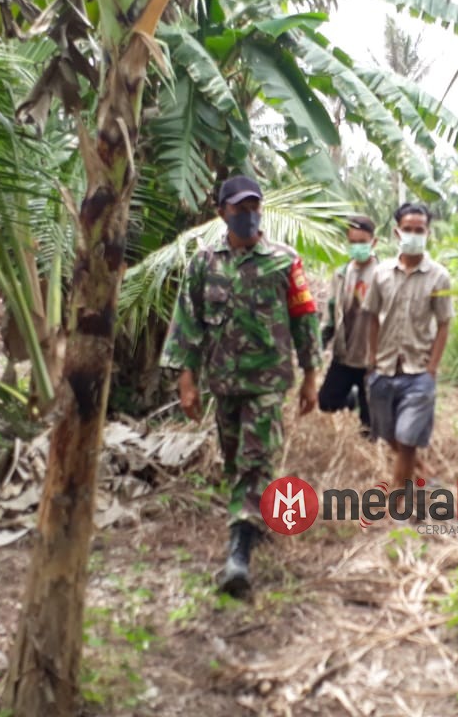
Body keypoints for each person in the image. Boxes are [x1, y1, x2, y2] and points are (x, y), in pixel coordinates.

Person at [159, 174, 322, 597]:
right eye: (239, 209)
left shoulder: (284, 261)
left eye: (254, 208)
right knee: (235, 461)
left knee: (253, 461)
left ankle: (238, 558)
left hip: (268, 382)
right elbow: (187, 323)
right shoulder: (204, 263)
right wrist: (186, 378)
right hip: (224, 382)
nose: (248, 216)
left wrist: (311, 376)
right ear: (222, 213)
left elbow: (304, 320)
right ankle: (255, 518)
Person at [362, 203, 454, 515]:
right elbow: (372, 317)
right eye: (408, 229)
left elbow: (444, 324)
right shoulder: (381, 274)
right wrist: (372, 360)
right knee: (389, 436)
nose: (414, 235)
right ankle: (423, 478)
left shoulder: (439, 276)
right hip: (385, 369)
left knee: (407, 438)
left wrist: (432, 368)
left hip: (418, 373)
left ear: (427, 233)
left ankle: (397, 506)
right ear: (397, 232)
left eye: (420, 230)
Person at [318, 215, 379, 437]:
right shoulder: (341, 275)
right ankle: (350, 399)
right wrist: (319, 346)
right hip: (344, 355)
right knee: (326, 402)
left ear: (374, 242)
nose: (357, 247)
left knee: (370, 425)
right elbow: (330, 317)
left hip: (371, 360)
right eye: (353, 242)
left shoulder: (383, 275)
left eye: (362, 242)